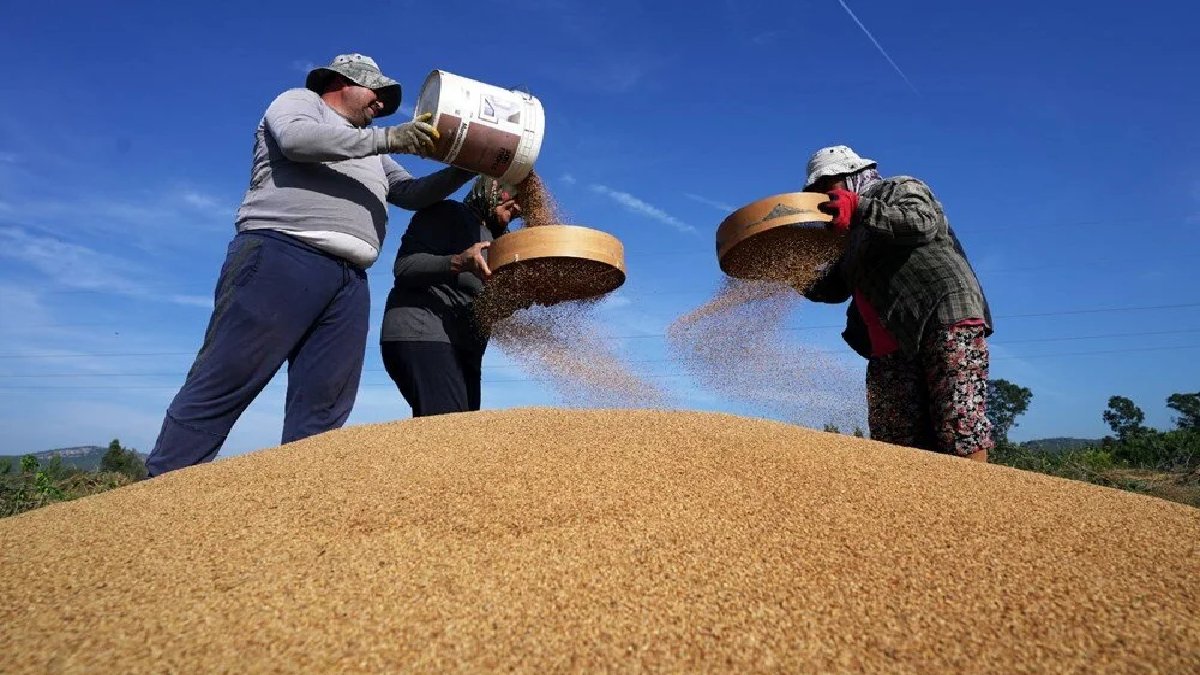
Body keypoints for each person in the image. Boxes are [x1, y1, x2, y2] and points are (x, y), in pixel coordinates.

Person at [144, 54, 476, 477]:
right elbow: (298, 141)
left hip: (350, 280)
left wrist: (466, 166)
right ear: (342, 82)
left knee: (325, 399)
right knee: (227, 375)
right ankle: (163, 486)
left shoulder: (371, 144)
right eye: (378, 93)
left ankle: (302, 498)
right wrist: (390, 138)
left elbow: (410, 193)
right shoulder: (301, 103)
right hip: (282, 255)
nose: (381, 106)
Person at [801, 145, 994, 462]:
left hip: (943, 315)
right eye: (815, 191)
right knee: (894, 439)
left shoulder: (897, 187)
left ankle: (974, 503)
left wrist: (859, 207)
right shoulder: (850, 240)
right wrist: (787, 275)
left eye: (827, 186)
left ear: (852, 175)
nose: (823, 196)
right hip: (888, 341)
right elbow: (834, 288)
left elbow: (921, 223)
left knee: (959, 423)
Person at [380, 177, 522, 416]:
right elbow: (405, 267)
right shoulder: (449, 213)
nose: (517, 207)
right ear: (493, 190)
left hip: (464, 348)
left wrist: (530, 297)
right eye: (514, 197)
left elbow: (488, 306)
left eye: (523, 203)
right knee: (448, 432)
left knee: (461, 439)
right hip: (424, 333)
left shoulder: (501, 245)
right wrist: (458, 262)